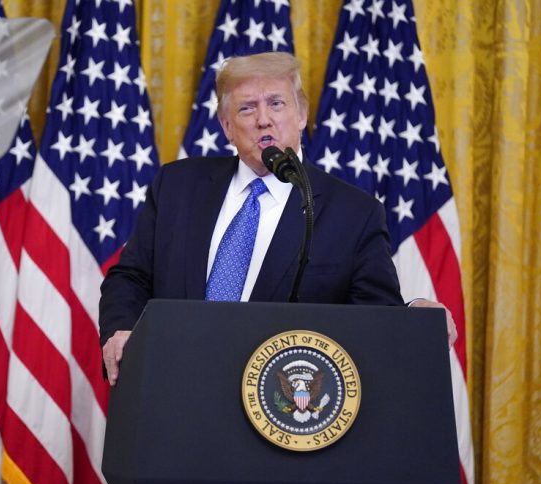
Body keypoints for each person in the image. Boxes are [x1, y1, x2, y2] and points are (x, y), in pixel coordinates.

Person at [99, 51, 456, 386]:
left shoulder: (354, 214)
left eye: (276, 103)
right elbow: (130, 277)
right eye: (247, 108)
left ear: (301, 115)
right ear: (226, 126)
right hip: (174, 388)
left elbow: (371, 320)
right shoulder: (177, 186)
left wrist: (412, 315)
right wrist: (123, 330)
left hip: (281, 411)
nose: (263, 119)